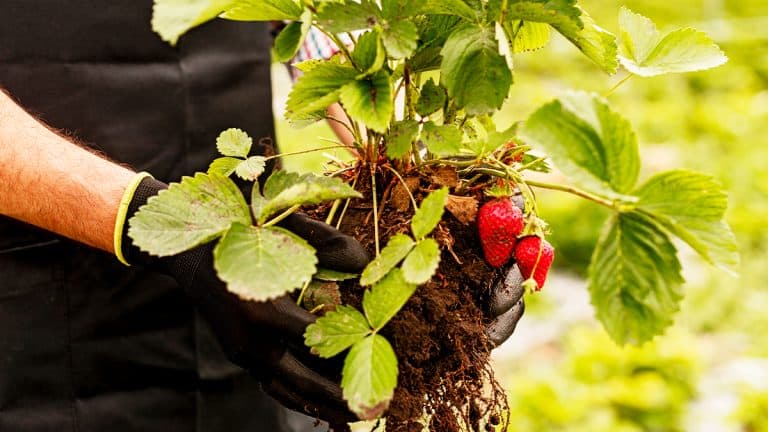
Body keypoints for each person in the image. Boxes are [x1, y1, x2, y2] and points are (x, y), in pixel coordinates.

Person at [0, 2, 525, 431]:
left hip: (253, 294)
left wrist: (423, 190)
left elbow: (318, 23)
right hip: (43, 307)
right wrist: (161, 226)